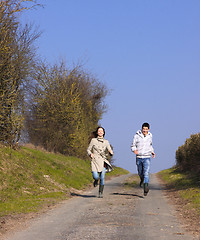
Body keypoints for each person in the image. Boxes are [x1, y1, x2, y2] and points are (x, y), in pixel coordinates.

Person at [87, 126, 113, 198]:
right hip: (95, 160)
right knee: (96, 176)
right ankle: (95, 181)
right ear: (97, 132)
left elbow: (109, 149)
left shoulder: (106, 142)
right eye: (99, 131)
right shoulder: (93, 140)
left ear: (104, 133)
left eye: (102, 131)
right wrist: (90, 154)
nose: (100, 132)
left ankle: (100, 192)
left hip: (103, 160)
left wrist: (111, 152)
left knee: (102, 177)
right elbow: (88, 149)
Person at [131, 122, 155, 196]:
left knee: (146, 173)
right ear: (142, 129)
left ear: (148, 129)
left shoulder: (150, 136)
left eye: (146, 129)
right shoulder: (136, 136)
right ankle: (142, 180)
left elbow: (150, 145)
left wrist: (152, 152)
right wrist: (134, 150)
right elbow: (133, 145)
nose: (144, 130)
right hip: (139, 157)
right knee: (140, 173)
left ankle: (146, 188)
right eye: (143, 129)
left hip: (147, 157)